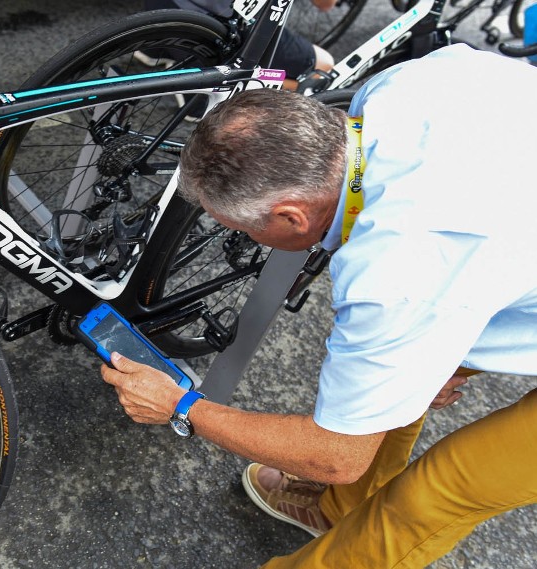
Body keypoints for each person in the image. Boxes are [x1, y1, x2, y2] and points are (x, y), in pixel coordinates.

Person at [99, 43, 537, 568]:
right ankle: (338, 511)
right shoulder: (404, 87)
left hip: (461, 257)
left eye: (241, 229)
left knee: (438, 493)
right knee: (396, 382)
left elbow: (335, 456)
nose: (242, 239)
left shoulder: (397, 273)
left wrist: (181, 406)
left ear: (290, 218)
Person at [137, 0, 337, 90]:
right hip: (216, 17)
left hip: (162, 9)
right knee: (323, 65)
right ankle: (208, 84)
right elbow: (325, 4)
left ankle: (156, 48)